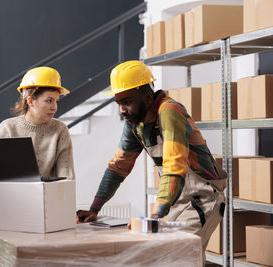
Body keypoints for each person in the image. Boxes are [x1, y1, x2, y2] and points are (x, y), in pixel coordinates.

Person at [76, 60, 227, 255]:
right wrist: (94, 209)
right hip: (176, 201)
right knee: (165, 257)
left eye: (127, 102)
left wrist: (156, 214)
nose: (122, 110)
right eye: (119, 103)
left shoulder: (170, 111)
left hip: (203, 198)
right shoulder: (134, 123)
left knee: (181, 256)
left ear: (147, 97)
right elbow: (118, 167)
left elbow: (174, 165)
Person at [0, 66, 75, 233]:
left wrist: (66, 215)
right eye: (49, 100)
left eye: (57, 101)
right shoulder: (7, 129)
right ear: (30, 100)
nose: (55, 107)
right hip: (9, 209)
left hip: (45, 211)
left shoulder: (60, 130)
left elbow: (66, 178)